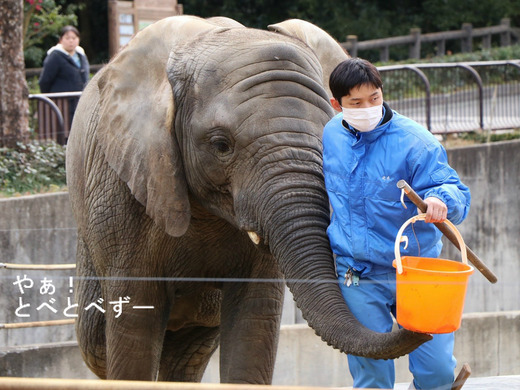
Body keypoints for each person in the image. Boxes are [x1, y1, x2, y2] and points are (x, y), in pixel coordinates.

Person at [322, 58, 471, 390]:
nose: (368, 108)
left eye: (374, 98)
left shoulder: (416, 141)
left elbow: (452, 188)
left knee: (437, 373)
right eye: (356, 103)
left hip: (419, 270)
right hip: (357, 273)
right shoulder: (331, 134)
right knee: (370, 373)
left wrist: (441, 200)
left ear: (382, 92)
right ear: (337, 104)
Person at [39, 25, 90, 130]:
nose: (71, 41)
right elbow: (45, 81)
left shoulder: (81, 55)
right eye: (67, 38)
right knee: (64, 131)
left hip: (80, 102)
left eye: (74, 38)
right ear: (61, 40)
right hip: (61, 103)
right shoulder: (55, 56)